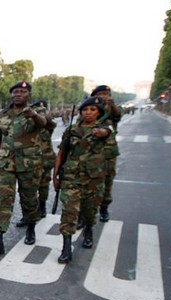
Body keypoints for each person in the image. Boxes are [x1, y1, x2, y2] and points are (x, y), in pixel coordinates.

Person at [0, 81, 47, 254]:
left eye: (22, 91)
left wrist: (33, 115)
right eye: (15, 91)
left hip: (28, 164)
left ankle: (31, 228)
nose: (18, 94)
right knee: (2, 200)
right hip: (5, 164)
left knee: (29, 198)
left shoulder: (38, 112)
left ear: (29, 95)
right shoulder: (0, 114)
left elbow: (44, 124)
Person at [53, 95, 112, 263]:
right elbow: (62, 153)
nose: (88, 112)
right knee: (69, 211)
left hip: (93, 178)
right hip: (71, 176)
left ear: (99, 112)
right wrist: (55, 175)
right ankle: (66, 247)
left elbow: (108, 132)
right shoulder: (72, 130)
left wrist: (100, 132)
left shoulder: (104, 129)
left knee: (89, 210)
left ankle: (88, 230)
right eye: (85, 109)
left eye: (92, 110)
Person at [16, 99, 56, 225]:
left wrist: (40, 114)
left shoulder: (47, 124)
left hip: (46, 158)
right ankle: (27, 215)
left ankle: (42, 206)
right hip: (30, 161)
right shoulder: (30, 125)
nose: (41, 112)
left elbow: (48, 121)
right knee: (27, 190)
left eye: (43, 111)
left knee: (43, 185)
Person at [90, 85, 122, 223]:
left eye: (106, 93)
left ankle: (104, 207)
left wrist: (112, 105)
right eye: (101, 93)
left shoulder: (112, 109)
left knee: (107, 181)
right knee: (88, 182)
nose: (104, 96)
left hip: (107, 152)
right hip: (90, 152)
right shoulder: (89, 109)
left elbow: (117, 116)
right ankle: (86, 212)